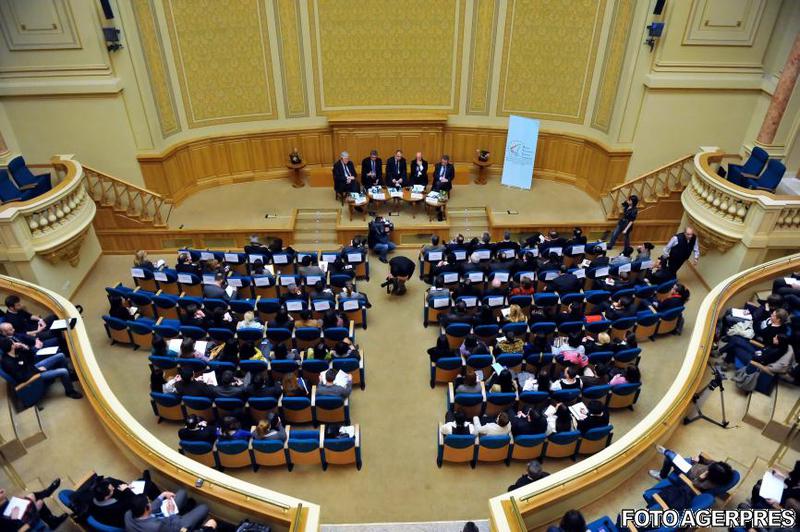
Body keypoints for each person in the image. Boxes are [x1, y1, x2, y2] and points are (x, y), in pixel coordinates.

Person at [0, 337, 82, 399]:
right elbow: (22, 377)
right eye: (13, 343)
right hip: (32, 376)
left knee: (61, 356)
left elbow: (30, 358)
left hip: (32, 368)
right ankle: (70, 391)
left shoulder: (15, 352)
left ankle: (69, 377)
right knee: (63, 371)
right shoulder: (8, 363)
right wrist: (38, 370)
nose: (15, 343)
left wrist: (24, 347)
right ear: (12, 346)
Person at [648, 445, 734, 492]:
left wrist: (701, 477)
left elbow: (695, 484)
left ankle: (665, 455)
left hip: (688, 472)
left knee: (670, 457)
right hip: (693, 464)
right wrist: (699, 459)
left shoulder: (710, 483)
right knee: (669, 459)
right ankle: (662, 474)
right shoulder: (718, 467)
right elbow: (710, 462)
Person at [91, 472, 161, 529]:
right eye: (111, 490)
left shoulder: (99, 493)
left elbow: (117, 483)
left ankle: (145, 480)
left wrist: (127, 486)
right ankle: (161, 500)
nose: (113, 488)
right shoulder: (115, 508)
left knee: (142, 481)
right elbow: (134, 505)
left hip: (125, 500)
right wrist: (127, 491)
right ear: (106, 497)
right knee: (148, 485)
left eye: (111, 486)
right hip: (127, 517)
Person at [124, 490, 210, 532]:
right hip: (173, 526)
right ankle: (193, 526)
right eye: (149, 502)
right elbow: (175, 529)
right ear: (146, 509)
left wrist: (163, 495)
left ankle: (185, 510)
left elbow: (150, 508)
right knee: (204, 508)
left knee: (182, 492)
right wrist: (172, 513)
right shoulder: (156, 527)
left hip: (161, 519)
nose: (151, 503)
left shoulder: (128, 514)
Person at [0, 479, 66, 531]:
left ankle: (46, 493)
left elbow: (10, 516)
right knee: (38, 501)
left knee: (32, 496)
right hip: (23, 525)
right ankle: (46, 493)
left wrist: (3, 499)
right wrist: (34, 514)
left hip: (12, 517)